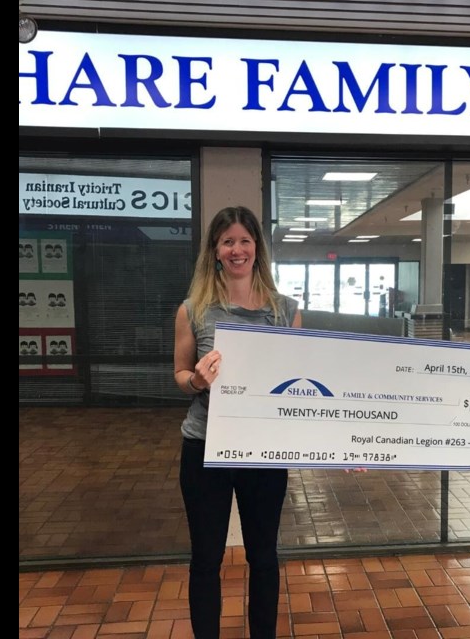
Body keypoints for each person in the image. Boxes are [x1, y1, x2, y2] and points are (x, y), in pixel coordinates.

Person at [173, 206, 300, 639]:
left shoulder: (286, 311)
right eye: (228, 241)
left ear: (257, 249)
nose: (237, 249)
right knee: (206, 557)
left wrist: (340, 442)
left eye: (245, 240)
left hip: (263, 451)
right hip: (205, 447)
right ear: (215, 250)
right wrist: (196, 379)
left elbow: (302, 384)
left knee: (263, 555)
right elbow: (180, 375)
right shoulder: (194, 310)